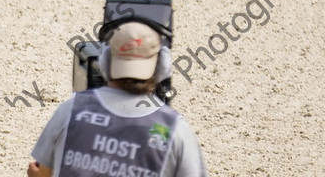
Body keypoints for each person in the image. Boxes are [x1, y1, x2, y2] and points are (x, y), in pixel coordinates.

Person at [28, 21, 209, 177]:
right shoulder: (175, 129)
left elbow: (43, 172)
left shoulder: (70, 111)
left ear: (106, 60)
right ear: (162, 66)